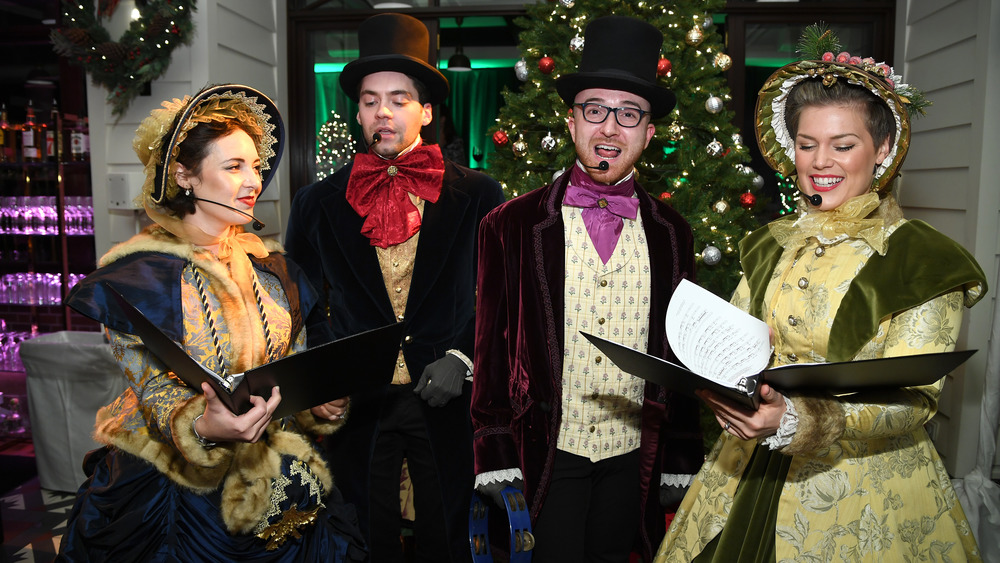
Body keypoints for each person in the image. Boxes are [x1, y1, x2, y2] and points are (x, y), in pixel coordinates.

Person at [655, 25, 987, 562]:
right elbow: (731, 344)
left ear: (882, 148)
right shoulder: (769, 244)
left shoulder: (922, 261)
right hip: (747, 466)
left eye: (843, 145)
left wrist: (799, 419)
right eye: (807, 144)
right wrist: (723, 392)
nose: (820, 161)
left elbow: (915, 402)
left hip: (862, 491)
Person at [56, 84, 366, 562]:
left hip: (280, 473)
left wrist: (319, 403)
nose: (254, 182)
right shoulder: (136, 277)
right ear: (185, 176)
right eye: (234, 166)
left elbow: (298, 360)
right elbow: (153, 389)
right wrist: (202, 426)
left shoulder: (276, 267)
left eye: (256, 166)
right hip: (173, 495)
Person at [471, 16, 705, 562]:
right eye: (595, 110)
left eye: (629, 114)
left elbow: (683, 353)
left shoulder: (673, 233)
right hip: (547, 451)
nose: (609, 129)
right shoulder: (510, 225)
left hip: (632, 457)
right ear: (573, 122)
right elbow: (489, 349)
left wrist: (679, 457)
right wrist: (493, 448)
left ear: (649, 132)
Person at [284, 13, 505, 562]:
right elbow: (300, 302)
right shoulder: (316, 203)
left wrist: (462, 356)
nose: (383, 111)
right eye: (369, 99)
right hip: (357, 400)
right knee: (359, 530)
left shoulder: (479, 195)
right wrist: (322, 377)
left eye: (399, 98)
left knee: (450, 530)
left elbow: (501, 292)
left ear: (425, 111)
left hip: (447, 393)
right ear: (358, 112)